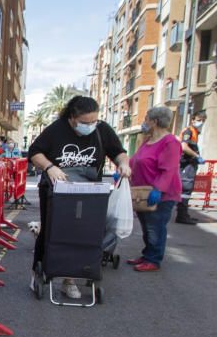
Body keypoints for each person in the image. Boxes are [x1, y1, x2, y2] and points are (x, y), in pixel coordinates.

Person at [28, 96, 131, 298]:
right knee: (52, 232)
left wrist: (124, 164)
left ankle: (70, 279)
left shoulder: (102, 130)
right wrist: (50, 167)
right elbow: (35, 152)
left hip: (89, 193)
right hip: (56, 192)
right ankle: (38, 273)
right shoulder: (57, 129)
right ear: (72, 118)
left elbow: (118, 152)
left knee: (84, 233)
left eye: (94, 121)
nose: (90, 126)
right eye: (85, 122)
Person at [128, 106, 182, 271]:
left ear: (155, 121)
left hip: (160, 195)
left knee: (155, 227)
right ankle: (147, 255)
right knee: (146, 226)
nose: (144, 122)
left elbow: (169, 169)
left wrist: (158, 189)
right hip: (143, 192)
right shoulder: (148, 140)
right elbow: (135, 161)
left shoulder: (170, 142)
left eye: (146, 119)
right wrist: (123, 171)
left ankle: (153, 259)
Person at [176, 111, 206, 224]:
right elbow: (184, 147)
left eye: (202, 121)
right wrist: (197, 156)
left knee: (186, 189)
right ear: (192, 120)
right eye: (199, 120)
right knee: (186, 188)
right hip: (185, 164)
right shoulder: (189, 131)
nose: (201, 123)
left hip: (188, 164)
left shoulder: (195, 132)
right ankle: (182, 215)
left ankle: (184, 214)